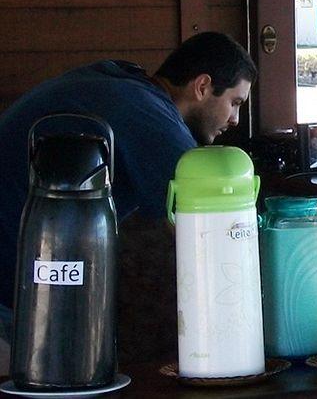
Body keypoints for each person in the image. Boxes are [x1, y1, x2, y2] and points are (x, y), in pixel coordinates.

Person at [0, 32, 257, 350]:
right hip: (14, 290)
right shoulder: (148, 115)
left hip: (30, 275)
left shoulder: (122, 83)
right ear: (202, 86)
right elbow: (213, 230)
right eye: (235, 103)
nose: (234, 120)